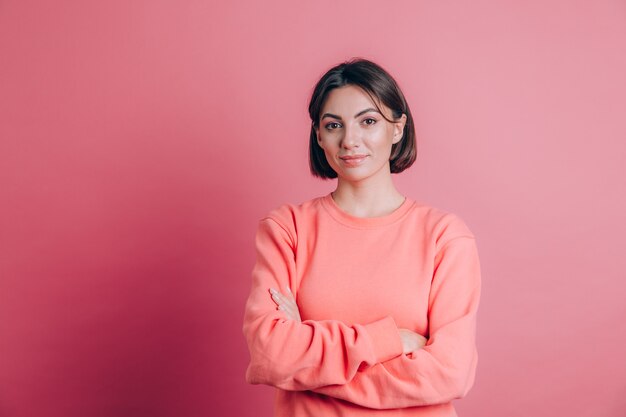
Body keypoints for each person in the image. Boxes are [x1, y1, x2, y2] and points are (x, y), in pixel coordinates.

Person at [242, 58, 482, 417]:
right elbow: (271, 356)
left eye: (368, 121)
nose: (350, 140)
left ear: (398, 128)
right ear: (319, 135)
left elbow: (451, 374)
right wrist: (389, 341)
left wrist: (309, 361)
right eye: (333, 125)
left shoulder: (445, 238)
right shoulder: (287, 228)